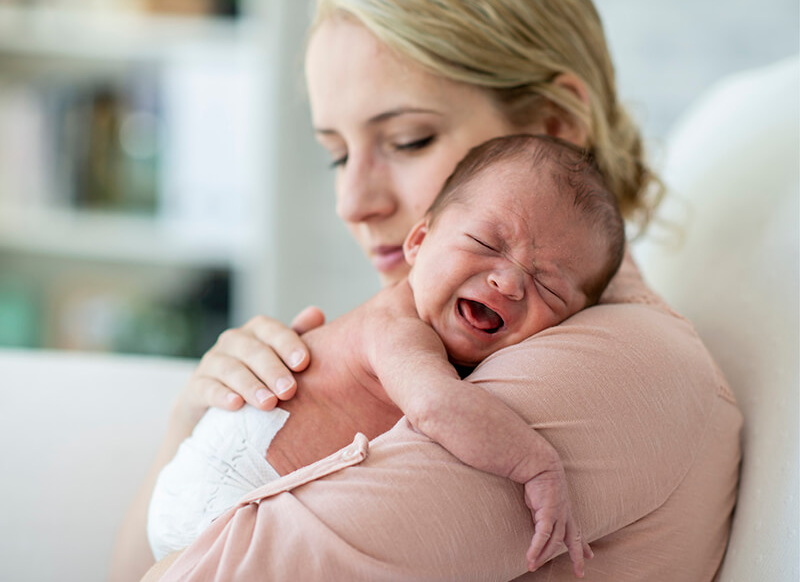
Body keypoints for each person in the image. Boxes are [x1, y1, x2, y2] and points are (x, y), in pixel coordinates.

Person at [112, 0, 742, 580]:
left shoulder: (618, 366)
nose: (352, 202)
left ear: (552, 129)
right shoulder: (456, 340)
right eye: (337, 153)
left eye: (408, 140)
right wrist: (197, 416)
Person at [147, 133, 622, 575]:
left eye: (548, 287)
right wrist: (538, 465)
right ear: (418, 242)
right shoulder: (395, 327)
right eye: (485, 244)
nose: (510, 282)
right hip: (220, 496)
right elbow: (436, 407)